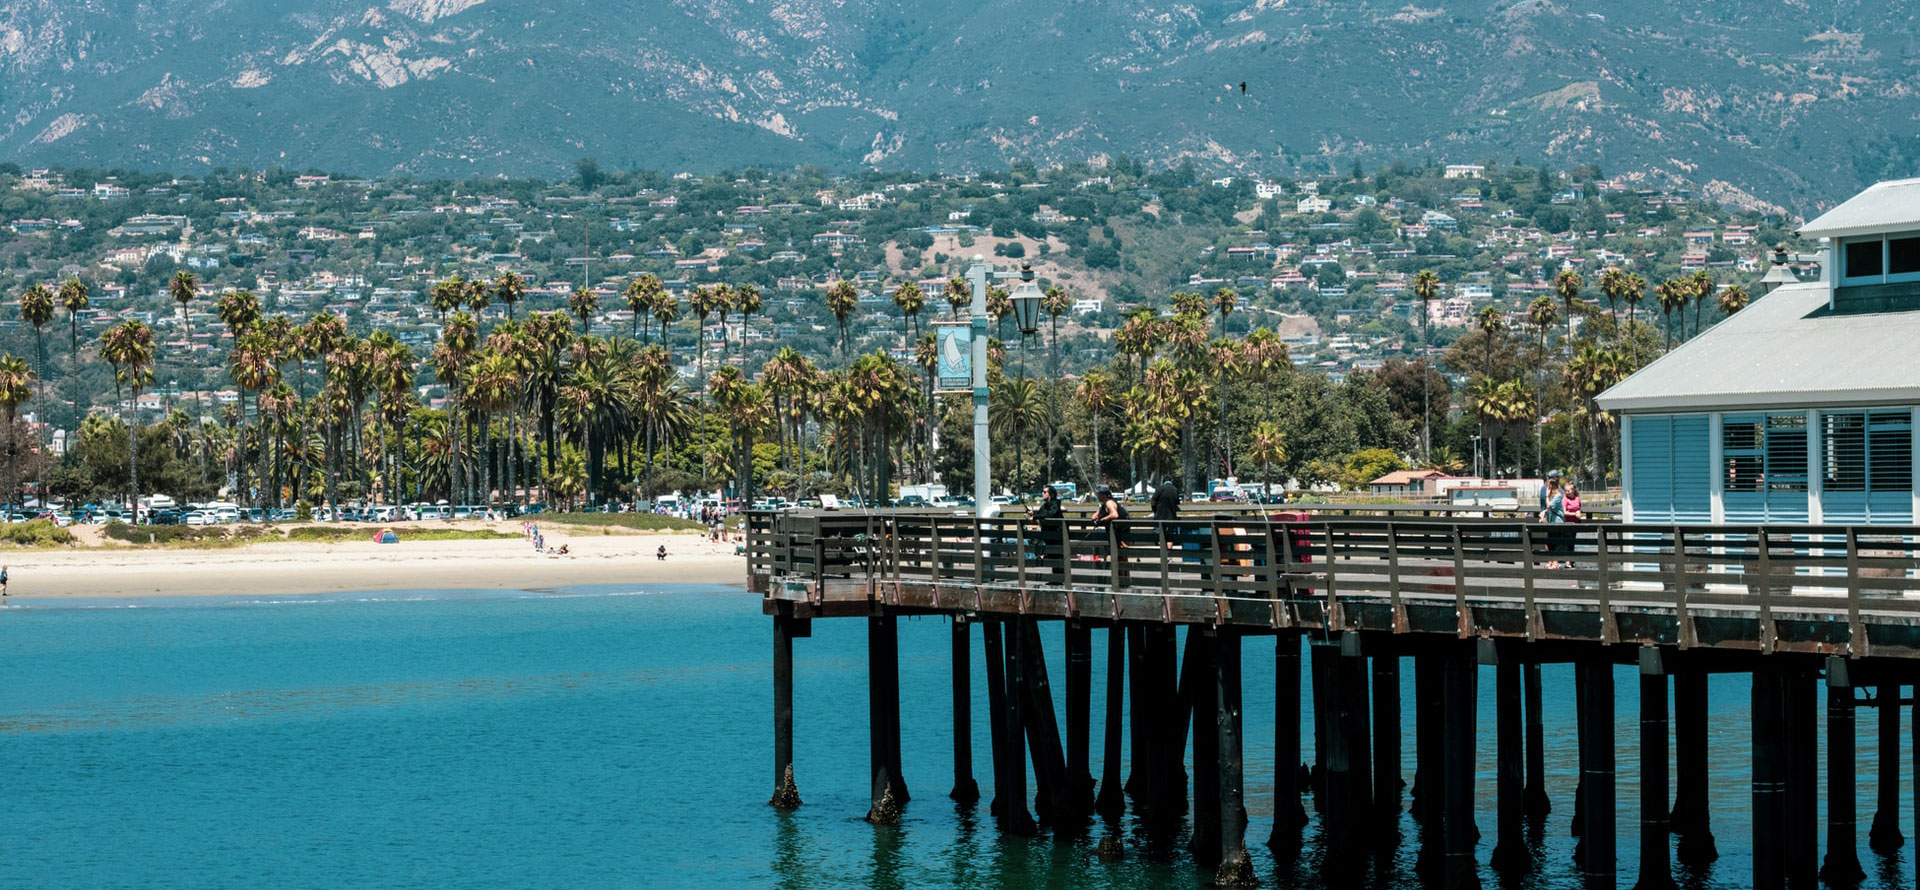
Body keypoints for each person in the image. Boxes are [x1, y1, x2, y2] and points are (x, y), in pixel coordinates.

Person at [1029, 486, 1065, 581]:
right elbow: (1042, 514)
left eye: (1045, 492)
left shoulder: (1055, 504)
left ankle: (1059, 580)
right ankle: (1055, 580)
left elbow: (1051, 514)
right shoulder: (1044, 505)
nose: (1042, 493)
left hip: (1057, 536)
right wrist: (1034, 514)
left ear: (1051, 494)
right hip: (1048, 536)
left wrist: (1036, 516)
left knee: (1058, 557)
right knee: (1053, 557)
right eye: (1042, 491)